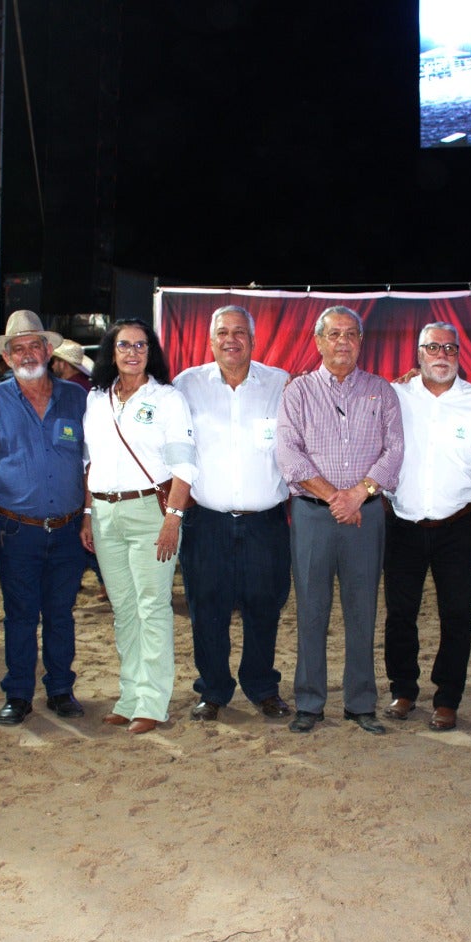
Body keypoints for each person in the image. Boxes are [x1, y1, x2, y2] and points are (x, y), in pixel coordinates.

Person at [276, 306, 404, 736]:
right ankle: (309, 703)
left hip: (365, 517)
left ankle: (360, 703)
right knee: (311, 611)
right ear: (318, 341)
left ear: (361, 341)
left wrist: (357, 495)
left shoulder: (381, 391)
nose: (343, 342)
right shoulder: (298, 392)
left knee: (362, 610)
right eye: (334, 334)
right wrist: (336, 497)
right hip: (313, 516)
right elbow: (289, 454)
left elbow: (395, 450)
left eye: (351, 334)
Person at [0, 310, 89, 726]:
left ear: (49, 351)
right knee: (19, 615)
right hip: (17, 530)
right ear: (7, 357)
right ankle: (18, 694)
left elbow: (92, 462)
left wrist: (89, 515)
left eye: (35, 345)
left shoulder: (77, 398)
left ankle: (60, 689)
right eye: (19, 348)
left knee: (60, 613)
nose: (28, 353)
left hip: (68, 529)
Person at [173, 306, 294, 722]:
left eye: (240, 332)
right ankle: (213, 690)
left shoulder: (280, 383)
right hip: (207, 522)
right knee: (207, 609)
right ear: (210, 340)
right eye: (222, 332)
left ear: (254, 340)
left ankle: (262, 688)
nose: (231, 340)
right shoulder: (186, 385)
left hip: (266, 523)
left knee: (265, 607)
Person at [80, 319, 197, 735]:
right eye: (124, 345)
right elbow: (89, 461)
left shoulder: (167, 399)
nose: (132, 352)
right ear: (110, 351)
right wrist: (88, 513)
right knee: (124, 609)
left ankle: (152, 701)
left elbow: (184, 466)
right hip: (105, 513)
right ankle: (129, 696)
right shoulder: (96, 398)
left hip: (151, 513)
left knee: (152, 606)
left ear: (151, 351)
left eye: (141, 345)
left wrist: (173, 519)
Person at [382, 321, 471, 731]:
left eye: (449, 348)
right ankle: (403, 690)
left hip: (456, 524)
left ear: (459, 353)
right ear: (418, 353)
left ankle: (447, 698)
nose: (441, 355)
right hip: (402, 524)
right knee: (399, 613)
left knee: (456, 614)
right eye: (432, 347)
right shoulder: (394, 396)